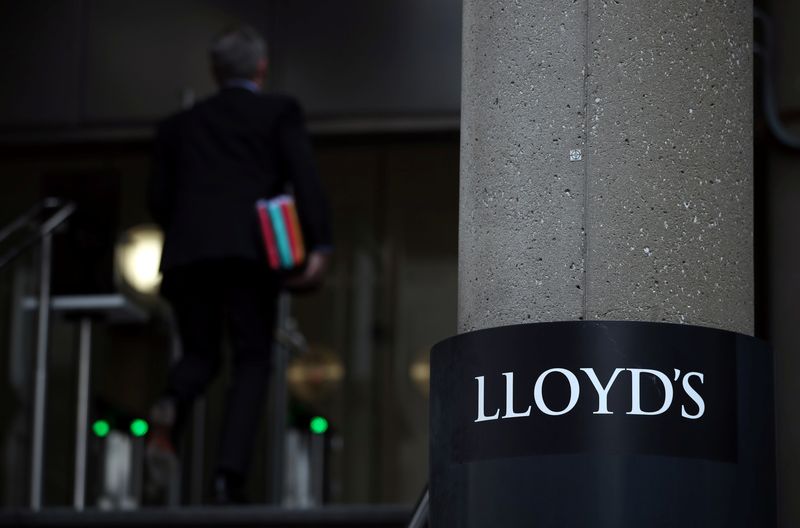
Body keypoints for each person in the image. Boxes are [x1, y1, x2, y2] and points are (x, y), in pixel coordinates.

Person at [146, 25, 332, 504]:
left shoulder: (177, 127)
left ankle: (172, 402)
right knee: (251, 359)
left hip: (189, 258)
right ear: (262, 68)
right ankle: (227, 478)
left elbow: (158, 200)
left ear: (214, 72)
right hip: (250, 256)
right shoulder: (279, 112)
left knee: (199, 355)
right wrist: (320, 247)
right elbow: (305, 180)